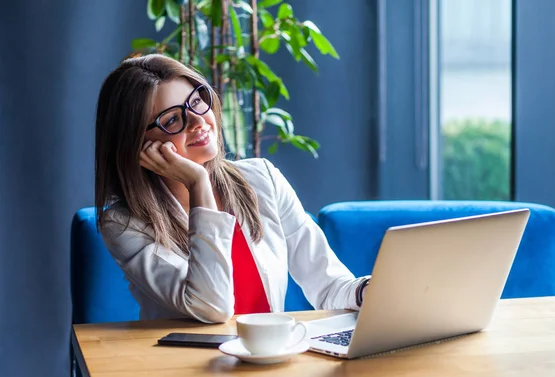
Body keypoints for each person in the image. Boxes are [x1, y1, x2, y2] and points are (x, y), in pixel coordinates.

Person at [95, 54, 370, 324]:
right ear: (137, 144)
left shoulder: (263, 179)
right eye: (172, 120)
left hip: (267, 358)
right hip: (186, 365)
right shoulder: (124, 224)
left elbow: (328, 285)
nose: (198, 121)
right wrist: (198, 183)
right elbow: (211, 307)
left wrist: (367, 291)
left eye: (196, 101)